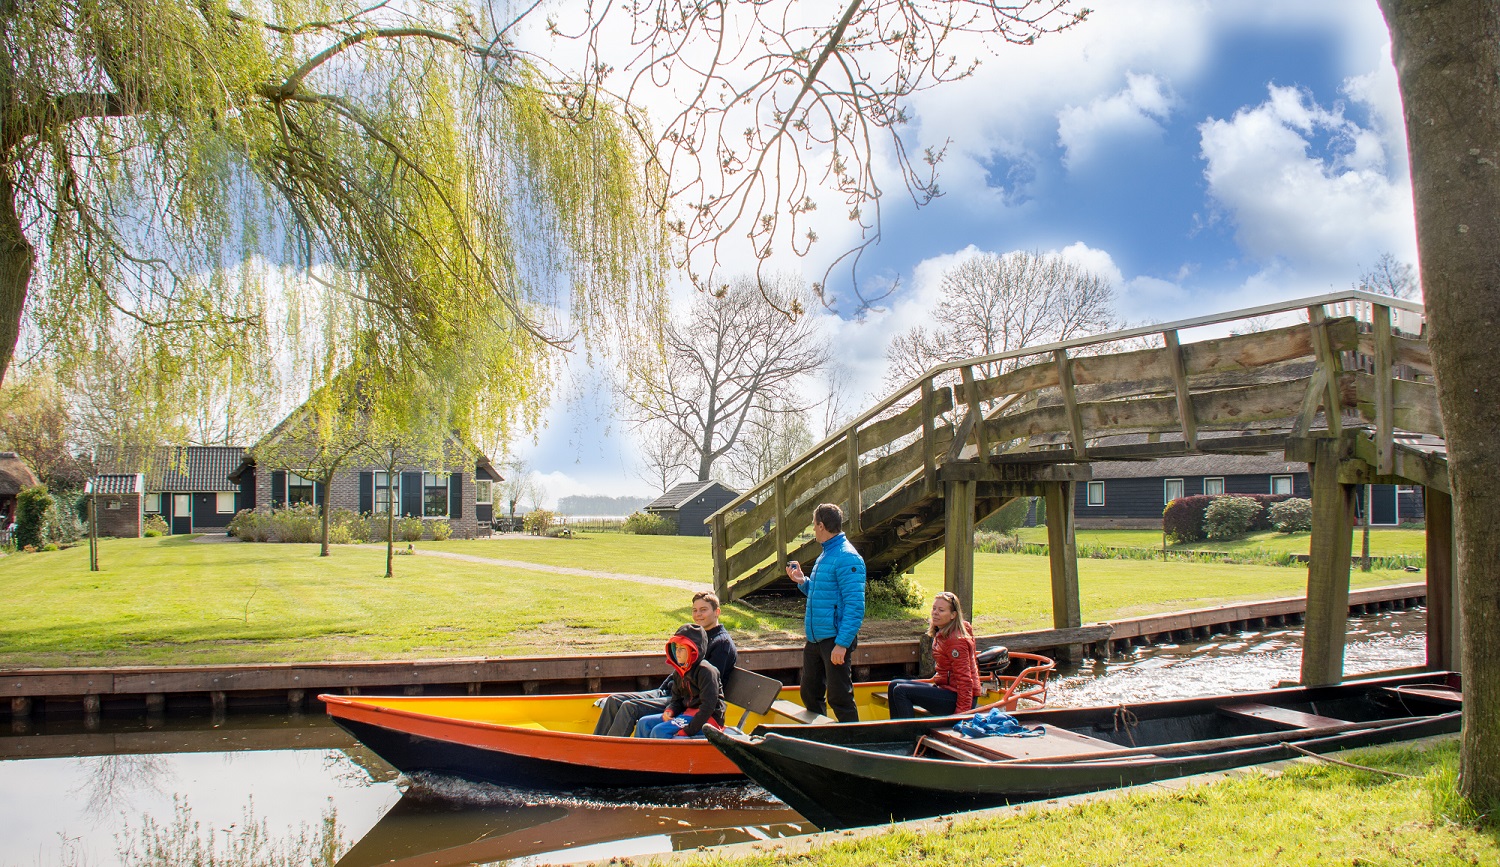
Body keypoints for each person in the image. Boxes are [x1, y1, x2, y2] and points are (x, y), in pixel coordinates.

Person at [592, 591, 736, 736]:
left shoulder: (721, 644)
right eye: (694, 610)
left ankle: (613, 748)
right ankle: (596, 745)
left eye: (703, 610)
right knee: (614, 700)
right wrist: (662, 690)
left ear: (717, 612)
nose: (698, 614)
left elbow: (707, 687)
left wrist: (673, 704)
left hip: (687, 700)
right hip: (671, 692)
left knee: (629, 707)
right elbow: (680, 672)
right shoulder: (694, 636)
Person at [785, 502, 865, 722]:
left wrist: (842, 643)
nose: (813, 529)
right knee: (809, 693)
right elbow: (822, 593)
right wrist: (802, 581)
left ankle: (854, 738)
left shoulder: (847, 557)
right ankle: (821, 734)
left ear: (821, 525)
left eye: (814, 524)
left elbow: (855, 605)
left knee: (840, 697)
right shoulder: (826, 555)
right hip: (815, 639)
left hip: (835, 639)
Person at [886, 592, 982, 718]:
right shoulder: (943, 631)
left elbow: (965, 679)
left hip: (956, 698)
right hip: (945, 689)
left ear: (953, 615)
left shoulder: (956, 640)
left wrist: (960, 715)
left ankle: (908, 729)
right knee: (893, 685)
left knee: (901, 691)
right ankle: (896, 728)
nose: (935, 613)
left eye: (941, 610)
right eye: (934, 608)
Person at [633, 623, 726, 738]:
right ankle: (640, 751)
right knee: (644, 723)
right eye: (676, 648)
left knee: (659, 731)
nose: (677, 652)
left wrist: (688, 731)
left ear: (693, 651)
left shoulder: (707, 671)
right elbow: (676, 700)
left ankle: (662, 751)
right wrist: (670, 710)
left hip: (708, 720)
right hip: (686, 714)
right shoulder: (680, 671)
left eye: (682, 648)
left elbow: (708, 707)